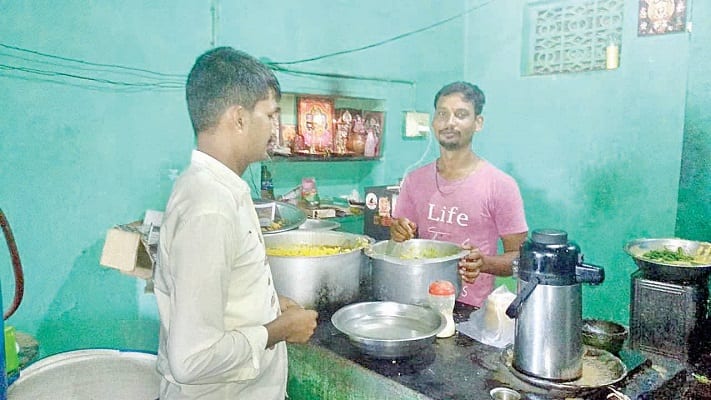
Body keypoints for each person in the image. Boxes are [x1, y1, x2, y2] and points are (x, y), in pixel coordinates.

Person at [154, 47, 318, 399]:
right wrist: (278, 329)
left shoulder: (221, 188)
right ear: (239, 119)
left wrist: (271, 301)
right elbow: (192, 359)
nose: (275, 128)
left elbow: (220, 293)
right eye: (270, 115)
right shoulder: (209, 209)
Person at [390, 81, 528, 307]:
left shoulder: (501, 185)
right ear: (434, 121)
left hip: (471, 311)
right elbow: (402, 242)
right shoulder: (414, 180)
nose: (449, 122)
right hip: (418, 300)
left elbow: (520, 257)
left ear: (478, 123)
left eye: (461, 114)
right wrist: (397, 232)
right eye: (442, 114)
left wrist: (484, 263)